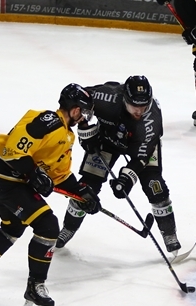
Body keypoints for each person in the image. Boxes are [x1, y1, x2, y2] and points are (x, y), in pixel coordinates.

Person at [0, 84, 101, 306]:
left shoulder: (66, 134)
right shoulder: (49, 121)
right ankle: (35, 289)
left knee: (12, 227)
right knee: (47, 226)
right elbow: (14, 148)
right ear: (74, 109)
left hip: (8, 180)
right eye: (83, 111)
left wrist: (82, 193)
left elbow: (59, 175)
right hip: (4, 176)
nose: (84, 117)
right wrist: (34, 174)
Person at [55, 75, 181, 254]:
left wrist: (127, 179)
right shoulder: (107, 96)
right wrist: (85, 127)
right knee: (86, 186)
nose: (139, 111)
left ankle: (169, 234)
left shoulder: (151, 119)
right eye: (134, 106)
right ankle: (68, 228)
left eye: (143, 106)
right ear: (124, 99)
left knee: (155, 186)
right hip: (108, 141)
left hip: (141, 147)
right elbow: (78, 99)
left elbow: (142, 157)